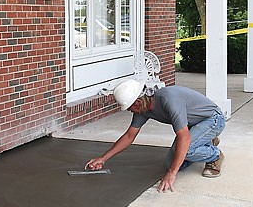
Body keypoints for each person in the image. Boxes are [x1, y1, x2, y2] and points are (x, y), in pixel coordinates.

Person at [85, 79, 226, 193]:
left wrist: (172, 174)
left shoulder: (169, 100)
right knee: (170, 164)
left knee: (186, 151)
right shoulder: (142, 110)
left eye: (129, 107)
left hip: (212, 119)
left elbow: (184, 137)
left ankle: (215, 155)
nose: (129, 111)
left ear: (138, 101)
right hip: (193, 125)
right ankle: (206, 140)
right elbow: (129, 136)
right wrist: (103, 159)